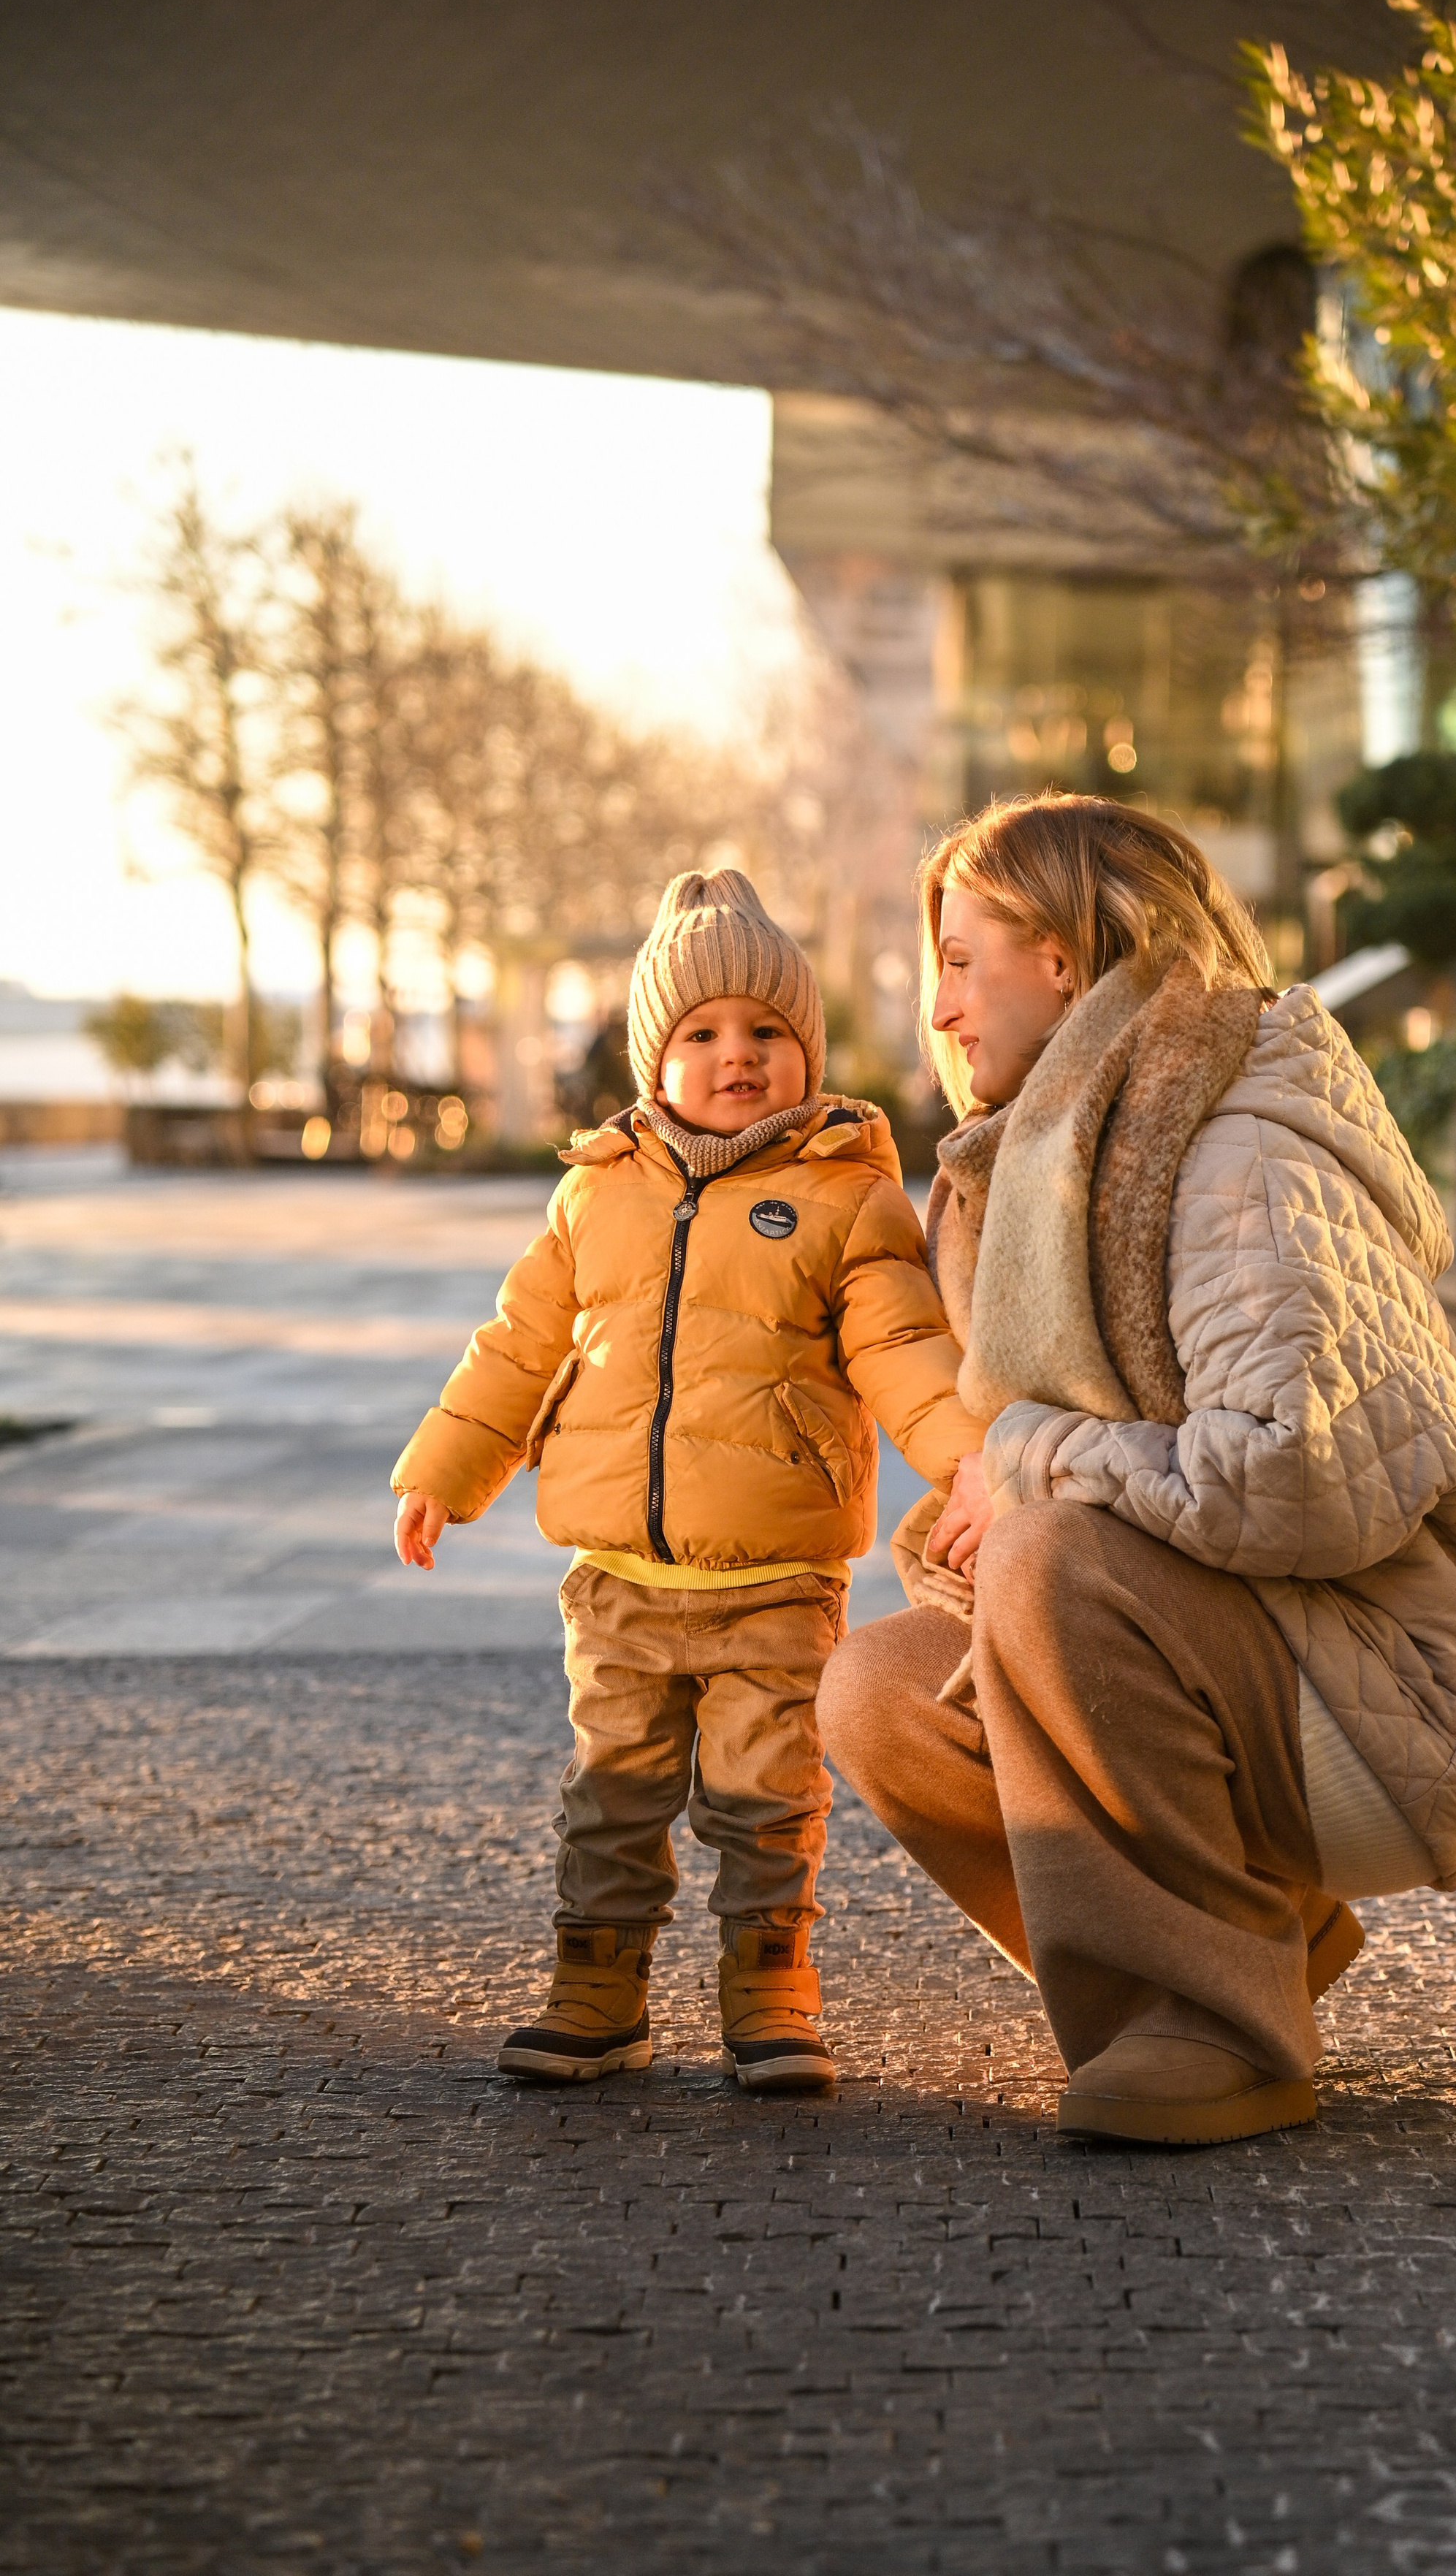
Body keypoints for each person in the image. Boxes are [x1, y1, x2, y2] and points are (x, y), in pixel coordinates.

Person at [820, 793, 1456, 2148]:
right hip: (1266, 1660)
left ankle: (1229, 2034)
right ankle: (1248, 1941)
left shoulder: (1236, 1150)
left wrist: (1025, 1463)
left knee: (1051, 1551)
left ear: (1060, 957)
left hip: (1405, 1685)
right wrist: (990, 1499)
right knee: (878, 1693)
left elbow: (1296, 1476)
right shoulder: (1062, 1158)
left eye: (961, 959)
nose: (938, 1009)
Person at [392, 869, 982, 2092]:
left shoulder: (845, 1197)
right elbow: (519, 1344)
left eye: (769, 1031)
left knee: (767, 1795)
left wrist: (973, 1460)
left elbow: (905, 1350)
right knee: (612, 1796)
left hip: (775, 1578)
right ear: (653, 1059)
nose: (739, 1054)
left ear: (807, 1052)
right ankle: (598, 1992)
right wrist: (447, 1468)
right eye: (703, 1033)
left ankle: (771, 1993)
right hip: (614, 1580)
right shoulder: (594, 1194)